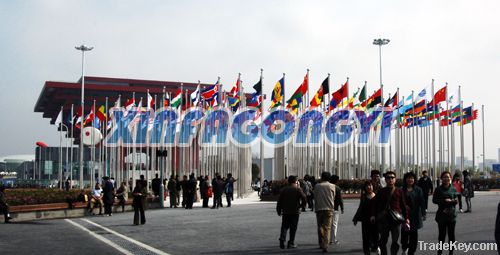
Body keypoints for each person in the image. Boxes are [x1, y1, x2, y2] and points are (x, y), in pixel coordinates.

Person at [372, 171, 409, 255]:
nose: (390, 179)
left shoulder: (399, 191)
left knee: (395, 241)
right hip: (384, 220)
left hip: (396, 220)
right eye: (388, 178)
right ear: (385, 180)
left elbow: (403, 205)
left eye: (392, 178)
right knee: (382, 241)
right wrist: (373, 215)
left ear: (395, 179)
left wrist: (406, 218)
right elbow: (375, 204)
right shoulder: (381, 191)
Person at [276, 175, 307, 249]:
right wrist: (302, 206)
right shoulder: (298, 189)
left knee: (284, 226)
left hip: (286, 211)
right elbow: (304, 197)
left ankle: (282, 239)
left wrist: (279, 209)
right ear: (295, 181)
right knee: (293, 227)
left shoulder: (284, 190)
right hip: (295, 211)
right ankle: (291, 242)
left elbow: (279, 201)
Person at [432, 171, 458, 255]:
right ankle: (439, 252)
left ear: (450, 178)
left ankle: (451, 252)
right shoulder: (438, 189)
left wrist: (453, 201)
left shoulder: (453, 188)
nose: (446, 178)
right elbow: (434, 200)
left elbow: (457, 200)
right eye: (444, 177)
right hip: (442, 215)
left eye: (448, 177)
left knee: (451, 236)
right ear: (441, 178)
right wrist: (444, 201)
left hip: (451, 215)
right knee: (442, 235)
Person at [401, 172, 425, 255]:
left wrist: (423, 213)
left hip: (415, 215)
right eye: (408, 178)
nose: (410, 179)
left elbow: (422, 201)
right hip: (404, 215)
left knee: (414, 235)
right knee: (404, 233)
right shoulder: (401, 189)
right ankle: (404, 247)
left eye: (412, 178)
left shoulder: (418, 189)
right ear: (405, 179)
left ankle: (411, 251)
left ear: (414, 179)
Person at [353, 181, 378, 255]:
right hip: (365, 219)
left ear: (373, 186)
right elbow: (360, 207)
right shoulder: (363, 196)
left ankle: (376, 247)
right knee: (366, 237)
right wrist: (356, 218)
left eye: (370, 185)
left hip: (376, 219)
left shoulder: (377, 195)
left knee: (375, 236)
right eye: (367, 186)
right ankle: (366, 252)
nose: (369, 187)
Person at [313, 171, 336, 253]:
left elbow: (314, 196)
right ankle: (325, 245)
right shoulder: (332, 186)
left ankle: (321, 243)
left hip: (319, 208)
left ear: (322, 177)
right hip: (329, 208)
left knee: (320, 226)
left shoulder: (317, 186)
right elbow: (333, 197)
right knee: (327, 227)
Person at [329, 174, 344, 245]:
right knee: (334, 224)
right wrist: (342, 208)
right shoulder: (337, 188)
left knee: (327, 224)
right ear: (337, 180)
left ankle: (326, 239)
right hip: (335, 208)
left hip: (327, 208)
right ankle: (333, 239)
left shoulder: (327, 187)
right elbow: (340, 199)